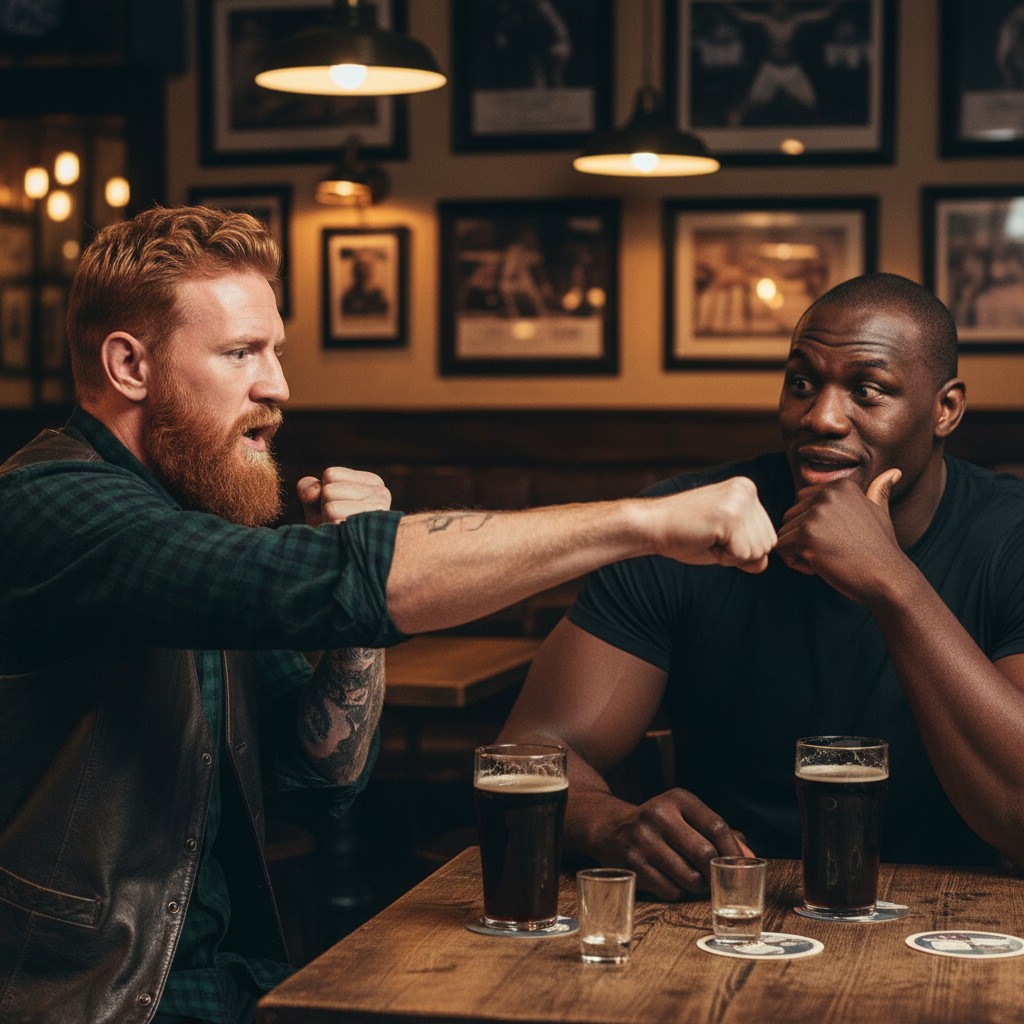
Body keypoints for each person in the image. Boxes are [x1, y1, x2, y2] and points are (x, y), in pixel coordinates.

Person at [0, 205, 776, 1024]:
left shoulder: (199, 516)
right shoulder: (46, 507)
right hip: (85, 997)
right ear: (129, 364)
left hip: (226, 976)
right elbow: (346, 580)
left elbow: (322, 771)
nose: (279, 385)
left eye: (275, 352)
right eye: (241, 354)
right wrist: (643, 523)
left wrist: (352, 607)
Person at [497, 272, 1024, 902]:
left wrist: (891, 580)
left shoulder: (1010, 536)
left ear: (945, 410)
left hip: (960, 920)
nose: (821, 417)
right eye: (802, 383)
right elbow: (529, 752)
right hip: (725, 916)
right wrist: (609, 823)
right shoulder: (686, 528)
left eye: (868, 390)